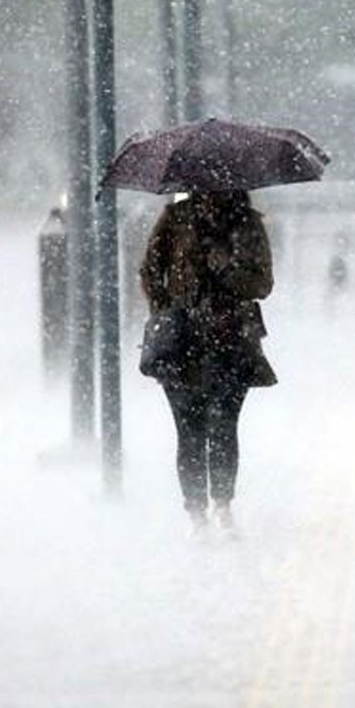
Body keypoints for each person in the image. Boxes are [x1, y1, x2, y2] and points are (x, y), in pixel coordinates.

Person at [140, 189, 277, 534]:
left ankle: (222, 504)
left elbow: (262, 284)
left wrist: (228, 269)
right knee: (189, 430)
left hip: (231, 341)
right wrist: (166, 310)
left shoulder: (247, 223)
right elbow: (150, 270)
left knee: (224, 426)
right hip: (182, 343)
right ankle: (196, 512)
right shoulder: (175, 219)